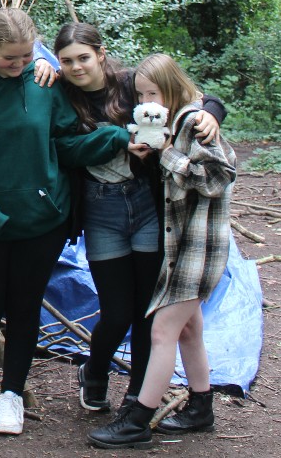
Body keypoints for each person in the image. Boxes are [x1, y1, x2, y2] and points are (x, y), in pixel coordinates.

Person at [0, 8, 133, 435]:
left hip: (41, 222)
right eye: (10, 59)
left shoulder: (44, 85)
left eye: (26, 57)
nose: (19, 66)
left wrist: (114, 138)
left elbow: (65, 146)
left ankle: (12, 394)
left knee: (24, 310)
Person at [53, 22, 225, 413]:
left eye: (84, 57)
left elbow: (187, 93)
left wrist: (212, 110)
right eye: (66, 61)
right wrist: (115, 139)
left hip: (147, 204)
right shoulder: (59, 94)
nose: (77, 67)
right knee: (115, 312)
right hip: (101, 208)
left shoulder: (131, 84)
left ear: (100, 53)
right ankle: (94, 371)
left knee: (148, 309)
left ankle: (137, 393)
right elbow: (63, 151)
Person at [88, 53, 237, 449]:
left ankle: (138, 417)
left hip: (200, 246)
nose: (147, 100)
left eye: (153, 92)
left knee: (162, 329)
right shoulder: (168, 119)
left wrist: (169, 154)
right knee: (189, 328)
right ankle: (201, 407)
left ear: (170, 88)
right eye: (141, 94)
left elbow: (220, 177)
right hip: (182, 242)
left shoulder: (190, 121)